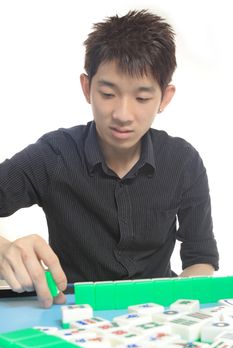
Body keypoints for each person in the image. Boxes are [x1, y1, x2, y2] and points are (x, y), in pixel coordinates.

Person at [0, 9, 219, 308]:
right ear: (87, 88)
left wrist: (179, 312)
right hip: (70, 313)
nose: (122, 115)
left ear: (165, 98)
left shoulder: (183, 162)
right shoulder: (53, 155)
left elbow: (201, 259)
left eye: (142, 98)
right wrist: (3, 249)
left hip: (154, 317)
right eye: (107, 93)